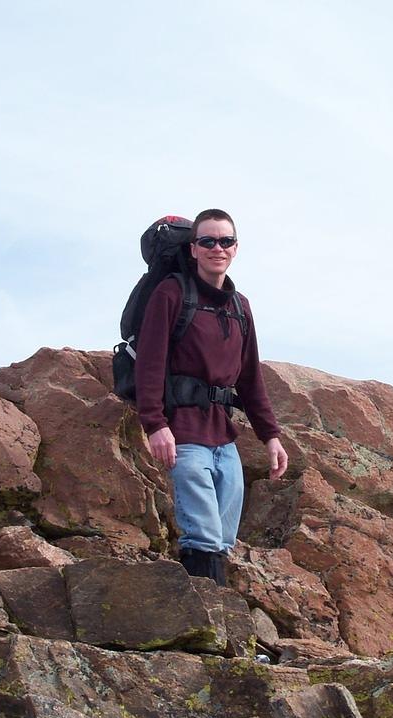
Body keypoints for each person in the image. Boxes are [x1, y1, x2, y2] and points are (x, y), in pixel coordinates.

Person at [135, 209, 288, 585]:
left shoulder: (240, 307)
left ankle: (213, 626)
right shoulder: (171, 293)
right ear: (193, 249)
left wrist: (271, 436)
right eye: (207, 241)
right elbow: (150, 364)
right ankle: (206, 628)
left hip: (224, 435)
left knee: (222, 538)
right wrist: (155, 424)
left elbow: (251, 377)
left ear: (235, 248)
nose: (217, 248)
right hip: (183, 431)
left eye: (225, 241)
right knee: (202, 533)